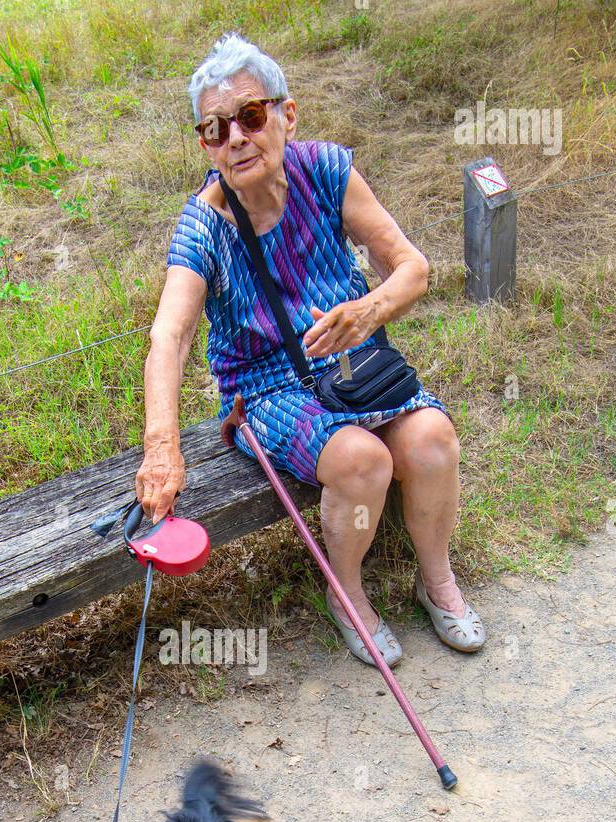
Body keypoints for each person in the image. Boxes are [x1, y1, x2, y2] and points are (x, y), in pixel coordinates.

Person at [136, 32, 485, 663]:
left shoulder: (325, 170)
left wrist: (370, 309)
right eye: (216, 130)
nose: (236, 138)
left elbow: (411, 267)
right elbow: (171, 334)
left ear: (286, 114)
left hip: (353, 362)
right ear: (205, 145)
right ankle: (346, 592)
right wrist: (162, 451)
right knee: (361, 461)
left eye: (249, 116)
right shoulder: (204, 225)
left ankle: (437, 581)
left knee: (432, 438)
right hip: (266, 389)